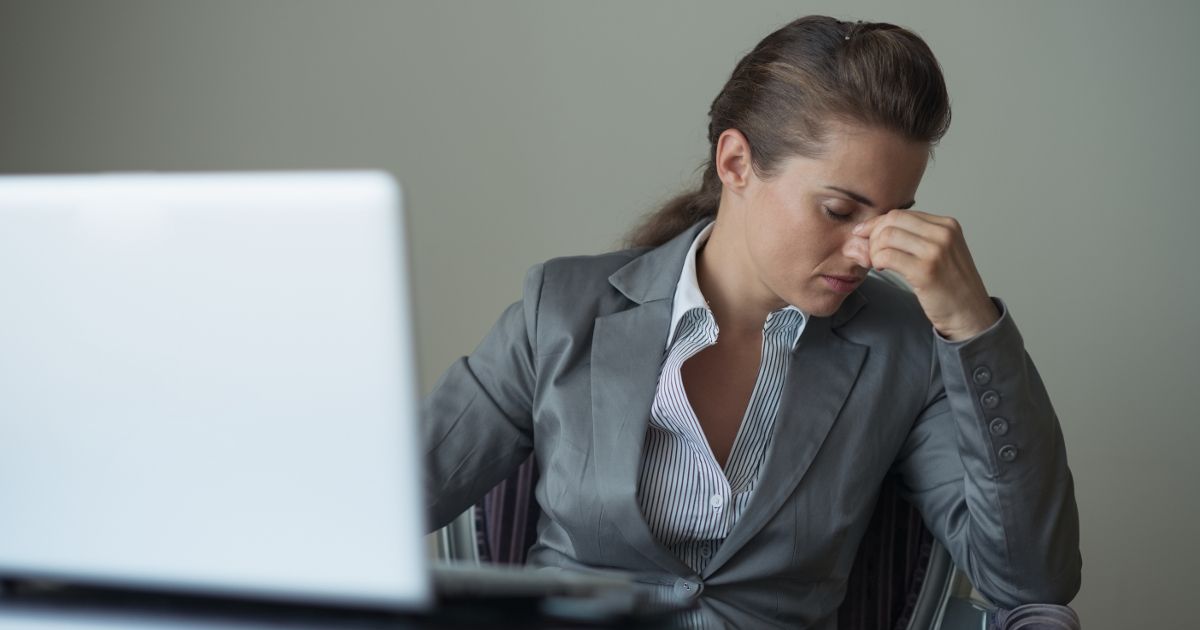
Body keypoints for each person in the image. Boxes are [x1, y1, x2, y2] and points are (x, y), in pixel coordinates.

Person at [421, 15, 1081, 629]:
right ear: (736, 163)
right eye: (838, 209)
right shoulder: (564, 309)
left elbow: (1031, 579)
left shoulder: (902, 345)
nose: (866, 250)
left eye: (890, 217)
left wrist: (973, 326)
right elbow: (386, 499)